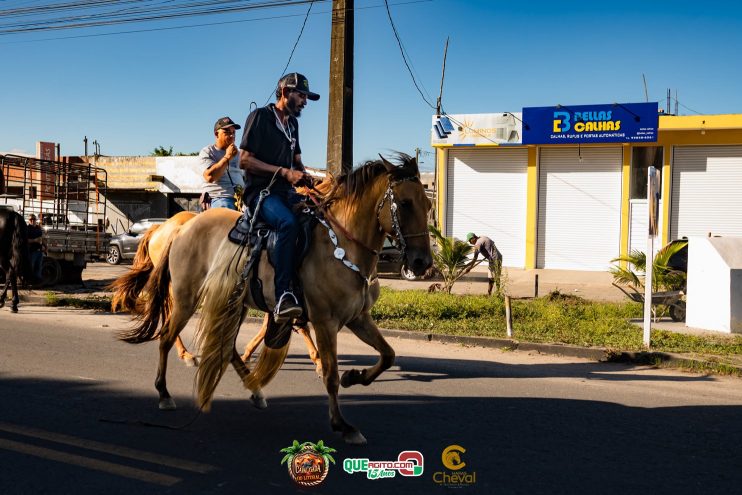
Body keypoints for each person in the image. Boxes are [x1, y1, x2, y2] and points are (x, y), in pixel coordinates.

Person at [237, 72, 319, 323]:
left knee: (318, 218)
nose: (305, 101)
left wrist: (307, 178)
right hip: (261, 194)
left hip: (287, 192)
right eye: (301, 95)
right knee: (288, 223)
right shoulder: (260, 117)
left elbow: (297, 162)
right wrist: (284, 172)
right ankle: (283, 294)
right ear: (284, 92)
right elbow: (244, 160)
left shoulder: (293, 125)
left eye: (306, 96)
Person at [199, 116, 244, 210]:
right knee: (227, 213)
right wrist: (228, 157)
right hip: (219, 198)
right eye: (227, 132)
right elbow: (210, 177)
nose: (232, 135)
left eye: (233, 132)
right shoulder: (208, 151)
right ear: (216, 134)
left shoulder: (239, 154)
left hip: (242, 199)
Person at [27, 213, 45, 282]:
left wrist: (45, 247)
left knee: (39, 267)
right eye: (30, 219)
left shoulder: (38, 228)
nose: (32, 221)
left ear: (36, 220)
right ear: (28, 220)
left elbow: (41, 238)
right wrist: (34, 240)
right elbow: (25, 240)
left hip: (39, 251)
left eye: (34, 219)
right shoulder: (27, 228)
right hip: (31, 251)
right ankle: (29, 281)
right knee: (31, 267)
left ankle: (37, 282)